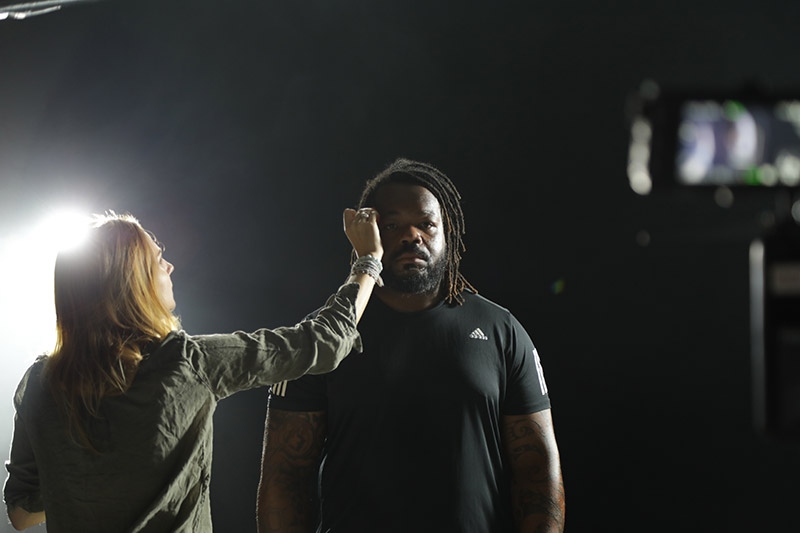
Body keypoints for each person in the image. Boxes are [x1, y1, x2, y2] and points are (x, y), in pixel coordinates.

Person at [3, 207, 384, 532]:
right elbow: (323, 341)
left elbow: (21, 512)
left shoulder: (40, 383)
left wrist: (92, 483)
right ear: (133, 281)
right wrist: (368, 260)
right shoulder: (186, 363)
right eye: (157, 259)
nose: (169, 266)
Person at [258, 158, 565, 533]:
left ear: (446, 232)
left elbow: (536, 469)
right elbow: (286, 475)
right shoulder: (319, 340)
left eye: (426, 224)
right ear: (367, 234)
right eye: (392, 225)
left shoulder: (502, 331)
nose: (412, 236)